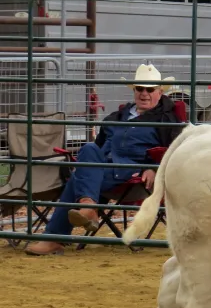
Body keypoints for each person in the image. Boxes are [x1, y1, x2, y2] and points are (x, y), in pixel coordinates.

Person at [25, 64, 184, 256]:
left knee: (79, 178)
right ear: (134, 91)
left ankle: (57, 235)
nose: (144, 94)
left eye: (149, 89)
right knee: (89, 148)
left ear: (159, 92)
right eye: (139, 89)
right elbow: (98, 147)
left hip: (132, 172)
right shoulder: (117, 117)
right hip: (105, 167)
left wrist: (153, 168)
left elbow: (176, 151)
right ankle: (87, 208)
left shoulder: (167, 120)